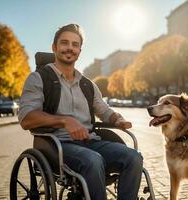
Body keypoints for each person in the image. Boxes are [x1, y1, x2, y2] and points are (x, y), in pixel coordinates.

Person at [18, 24, 143, 200]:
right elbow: (26, 118)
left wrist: (117, 119)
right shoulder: (38, 79)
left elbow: (104, 110)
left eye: (75, 44)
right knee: (93, 160)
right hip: (58, 146)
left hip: (91, 142)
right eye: (64, 43)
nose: (70, 48)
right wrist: (64, 121)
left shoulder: (88, 84)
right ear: (54, 47)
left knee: (133, 157)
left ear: (79, 50)